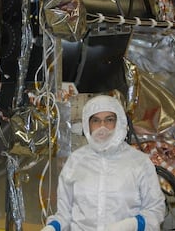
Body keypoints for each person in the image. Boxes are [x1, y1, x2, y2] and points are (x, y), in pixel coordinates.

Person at [43, 95, 166, 231]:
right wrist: (53, 227)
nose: (102, 127)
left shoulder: (139, 162)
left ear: (120, 122)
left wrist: (133, 224)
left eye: (109, 120)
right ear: (87, 124)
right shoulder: (76, 161)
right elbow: (64, 214)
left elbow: (155, 211)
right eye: (96, 120)